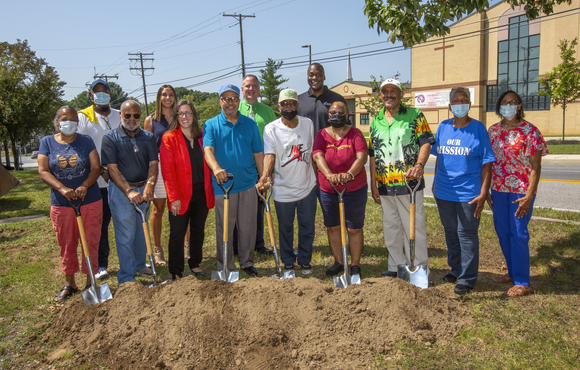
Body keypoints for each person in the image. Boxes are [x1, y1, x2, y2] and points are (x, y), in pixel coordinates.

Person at [431, 87, 496, 295]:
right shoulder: (442, 127)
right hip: (444, 191)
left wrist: (484, 192)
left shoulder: (478, 129)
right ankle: (456, 269)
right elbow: (439, 156)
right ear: (450, 106)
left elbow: (487, 163)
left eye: (464, 100)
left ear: (469, 104)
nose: (460, 103)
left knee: (466, 234)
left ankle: (467, 278)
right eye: (456, 100)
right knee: (450, 232)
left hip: (469, 192)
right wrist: (434, 182)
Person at [368, 78, 435, 277]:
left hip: (409, 184)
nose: (388, 95)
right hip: (385, 185)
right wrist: (373, 183)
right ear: (380, 95)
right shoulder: (376, 120)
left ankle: (418, 268)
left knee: (415, 228)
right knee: (391, 228)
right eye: (384, 92)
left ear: (401, 94)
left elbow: (426, 142)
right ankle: (396, 267)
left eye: (393, 91)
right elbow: (373, 154)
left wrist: (419, 165)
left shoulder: (415, 115)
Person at [487, 90, 548, 297]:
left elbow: (535, 167)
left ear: (520, 105)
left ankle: (523, 282)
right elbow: (487, 163)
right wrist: (485, 189)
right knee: (503, 233)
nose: (508, 105)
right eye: (504, 102)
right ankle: (512, 273)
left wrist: (529, 195)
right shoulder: (493, 131)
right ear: (499, 106)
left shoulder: (530, 131)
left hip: (520, 192)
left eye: (513, 102)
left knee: (519, 234)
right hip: (498, 190)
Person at [38, 106, 102, 302]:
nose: (70, 122)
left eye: (74, 119)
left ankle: (91, 282)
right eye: (65, 119)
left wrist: (85, 184)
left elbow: (96, 167)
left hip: (89, 200)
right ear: (58, 122)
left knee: (90, 241)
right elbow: (43, 170)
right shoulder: (47, 142)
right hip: (61, 203)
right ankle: (70, 283)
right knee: (66, 243)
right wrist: (62, 188)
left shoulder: (86, 141)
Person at [203, 84, 264, 277]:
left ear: (239, 100)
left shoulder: (250, 124)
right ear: (220, 101)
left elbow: (258, 153)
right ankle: (225, 265)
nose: (230, 103)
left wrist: (263, 178)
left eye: (234, 98)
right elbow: (208, 150)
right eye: (226, 99)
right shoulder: (211, 124)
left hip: (247, 183)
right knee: (225, 228)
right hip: (224, 186)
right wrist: (216, 168)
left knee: (248, 226)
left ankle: (247, 262)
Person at [259, 89, 317, 275]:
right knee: (285, 227)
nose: (289, 107)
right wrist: (266, 175)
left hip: (307, 186)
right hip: (283, 189)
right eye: (285, 104)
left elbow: (313, 153)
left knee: (307, 226)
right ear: (279, 107)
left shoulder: (308, 124)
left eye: (292, 103)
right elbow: (270, 155)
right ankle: (288, 261)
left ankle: (305, 260)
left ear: (297, 105)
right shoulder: (271, 129)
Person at [101, 100, 158, 285]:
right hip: (121, 190)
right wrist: (128, 191)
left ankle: (140, 264)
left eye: (136, 116)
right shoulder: (110, 138)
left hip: (143, 188)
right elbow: (112, 169)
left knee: (141, 229)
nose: (132, 119)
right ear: (120, 115)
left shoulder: (148, 137)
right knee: (126, 233)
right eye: (127, 115)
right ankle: (127, 277)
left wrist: (149, 184)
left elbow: (153, 164)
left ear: (141, 116)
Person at [312, 101, 368, 278]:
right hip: (328, 189)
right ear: (328, 116)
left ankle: (355, 265)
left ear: (347, 115)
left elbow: (362, 157)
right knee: (333, 226)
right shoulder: (321, 134)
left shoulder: (355, 134)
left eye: (340, 112)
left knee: (354, 228)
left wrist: (350, 174)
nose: (336, 115)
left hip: (354, 187)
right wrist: (328, 174)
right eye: (332, 112)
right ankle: (339, 261)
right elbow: (317, 155)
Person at [160, 99, 215, 280]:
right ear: (176, 116)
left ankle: (195, 263)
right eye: (181, 113)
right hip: (181, 195)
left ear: (194, 115)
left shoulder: (201, 135)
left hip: (201, 192)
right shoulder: (170, 138)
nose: (185, 117)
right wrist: (173, 197)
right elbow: (167, 171)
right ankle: (176, 270)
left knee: (198, 230)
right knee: (177, 233)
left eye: (188, 113)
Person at [77, 79, 121, 280]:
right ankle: (101, 264)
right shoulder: (82, 118)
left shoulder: (120, 115)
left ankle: (131, 262)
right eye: (97, 92)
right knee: (100, 226)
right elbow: (78, 149)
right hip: (96, 182)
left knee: (124, 222)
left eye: (104, 91)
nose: (100, 94)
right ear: (90, 95)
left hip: (120, 181)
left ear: (110, 95)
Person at [237, 74, 277, 256]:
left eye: (254, 86)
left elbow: (274, 141)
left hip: (262, 166)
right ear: (242, 89)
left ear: (259, 89)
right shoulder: (234, 109)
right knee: (239, 207)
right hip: (241, 165)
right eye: (247, 86)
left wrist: (270, 170)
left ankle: (258, 243)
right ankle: (238, 245)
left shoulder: (267, 111)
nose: (250, 89)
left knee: (260, 204)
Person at [143, 84, 177, 266]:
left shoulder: (181, 117)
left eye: (170, 95)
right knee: (158, 209)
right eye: (164, 95)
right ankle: (157, 249)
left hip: (178, 165)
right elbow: (147, 147)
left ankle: (185, 246)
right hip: (159, 165)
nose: (167, 98)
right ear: (158, 98)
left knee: (181, 208)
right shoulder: (150, 120)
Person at [297, 63, 346, 135]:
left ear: (324, 77)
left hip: (331, 145)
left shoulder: (337, 100)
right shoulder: (299, 101)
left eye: (318, 75)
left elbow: (346, 126)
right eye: (311, 75)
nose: (314, 78)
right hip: (306, 146)